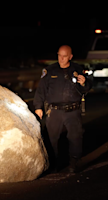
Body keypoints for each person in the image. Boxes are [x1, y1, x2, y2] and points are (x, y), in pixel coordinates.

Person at [33, 45, 92, 173]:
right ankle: (53, 164)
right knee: (51, 138)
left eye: (64, 56)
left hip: (73, 110)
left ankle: (74, 162)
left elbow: (85, 89)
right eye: (59, 55)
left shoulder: (77, 69)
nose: (61, 58)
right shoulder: (50, 71)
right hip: (54, 110)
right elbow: (41, 91)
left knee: (75, 137)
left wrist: (83, 83)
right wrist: (38, 107)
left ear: (70, 57)